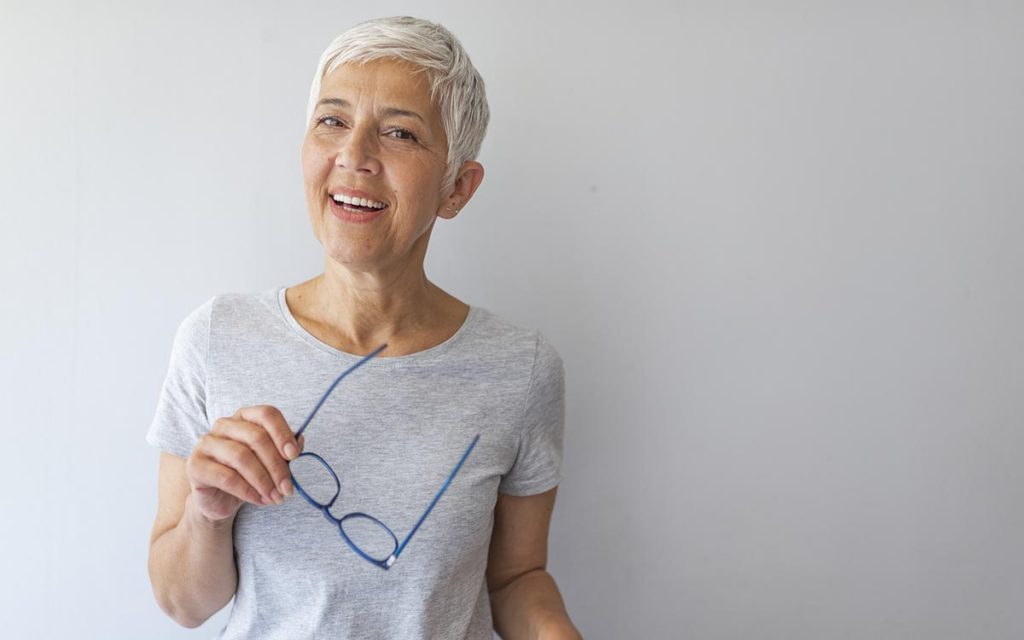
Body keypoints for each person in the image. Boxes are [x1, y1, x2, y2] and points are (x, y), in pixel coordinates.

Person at [145, 15, 582, 640]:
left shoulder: (523, 368)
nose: (353, 157)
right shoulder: (218, 337)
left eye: (399, 133)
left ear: (457, 188)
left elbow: (515, 578)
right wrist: (208, 515)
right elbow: (183, 604)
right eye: (332, 120)